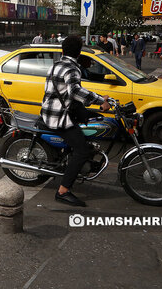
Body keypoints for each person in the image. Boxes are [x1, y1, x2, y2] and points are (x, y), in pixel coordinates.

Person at [41, 35, 110, 207]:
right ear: (79, 53)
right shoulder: (72, 68)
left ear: (63, 50)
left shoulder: (57, 65)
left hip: (53, 110)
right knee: (82, 150)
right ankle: (63, 191)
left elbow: (69, 91)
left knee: (90, 119)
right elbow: (75, 91)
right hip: (58, 116)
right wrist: (101, 100)